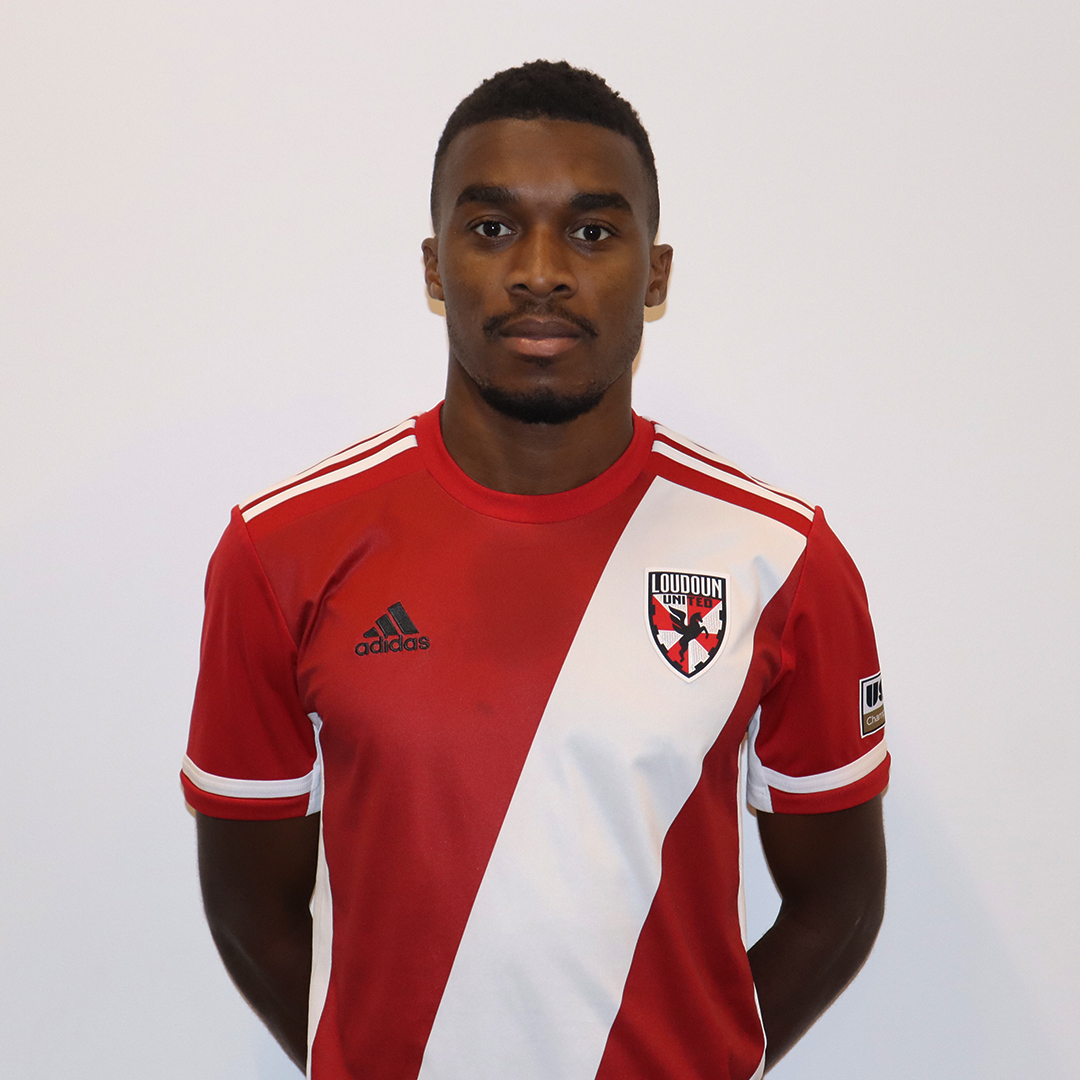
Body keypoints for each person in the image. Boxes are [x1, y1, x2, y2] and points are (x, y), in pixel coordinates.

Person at [182, 60, 888, 1080]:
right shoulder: (281, 550)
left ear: (656, 275)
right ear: (436, 268)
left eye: (593, 232)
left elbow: (841, 903)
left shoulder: (781, 559)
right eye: (493, 227)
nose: (542, 270)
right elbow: (249, 907)